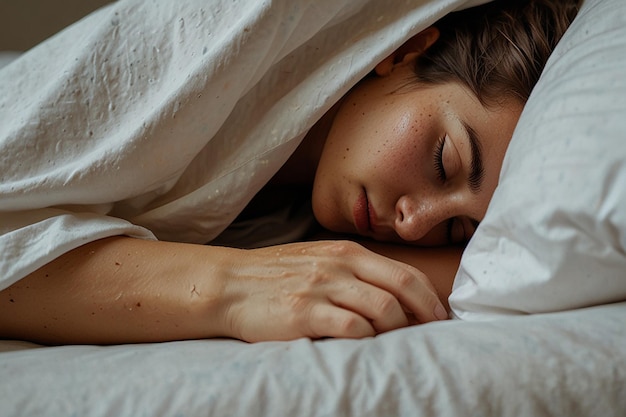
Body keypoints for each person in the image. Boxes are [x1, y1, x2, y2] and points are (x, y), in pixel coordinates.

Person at [0, 0, 579, 344]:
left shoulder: (310, 203)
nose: (413, 225)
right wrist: (228, 287)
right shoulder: (238, 29)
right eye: (443, 161)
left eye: (456, 231)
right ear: (406, 50)